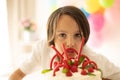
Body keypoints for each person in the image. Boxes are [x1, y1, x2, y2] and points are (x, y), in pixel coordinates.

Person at [9, 6, 120, 80]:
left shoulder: (92, 59)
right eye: (62, 35)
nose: (70, 43)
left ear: (85, 38)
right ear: (51, 37)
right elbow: (18, 73)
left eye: (77, 35)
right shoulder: (42, 48)